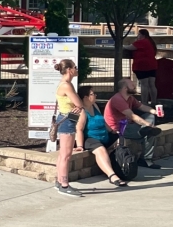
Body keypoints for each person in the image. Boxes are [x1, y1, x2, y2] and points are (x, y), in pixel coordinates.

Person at [74, 85, 127, 187]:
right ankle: (112, 176)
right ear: (85, 97)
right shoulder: (82, 111)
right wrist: (80, 146)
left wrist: (112, 131)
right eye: (93, 94)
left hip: (104, 136)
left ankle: (120, 166)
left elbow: (102, 122)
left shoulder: (95, 106)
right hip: (90, 138)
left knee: (122, 140)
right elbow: (79, 129)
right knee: (101, 150)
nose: (96, 95)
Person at [105, 77, 162, 169]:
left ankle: (145, 132)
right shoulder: (117, 99)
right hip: (119, 129)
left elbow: (142, 107)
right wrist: (148, 124)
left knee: (150, 117)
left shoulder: (130, 98)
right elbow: (132, 116)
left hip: (129, 125)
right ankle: (145, 133)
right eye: (132, 85)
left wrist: (155, 112)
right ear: (125, 88)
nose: (134, 86)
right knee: (149, 132)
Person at [53, 59, 84, 197]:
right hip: (67, 119)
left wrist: (78, 106)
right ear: (69, 70)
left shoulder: (66, 83)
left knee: (63, 154)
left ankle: (59, 181)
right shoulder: (66, 85)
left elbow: (79, 106)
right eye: (75, 67)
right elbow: (79, 103)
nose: (77, 69)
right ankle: (64, 185)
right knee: (66, 155)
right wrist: (78, 105)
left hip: (68, 118)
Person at [131, 28, 159, 106]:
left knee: (144, 84)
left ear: (143, 35)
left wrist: (123, 46)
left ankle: (144, 102)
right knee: (152, 84)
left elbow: (131, 47)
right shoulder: (150, 42)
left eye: (139, 34)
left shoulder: (142, 42)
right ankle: (154, 102)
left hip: (142, 66)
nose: (138, 36)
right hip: (152, 65)